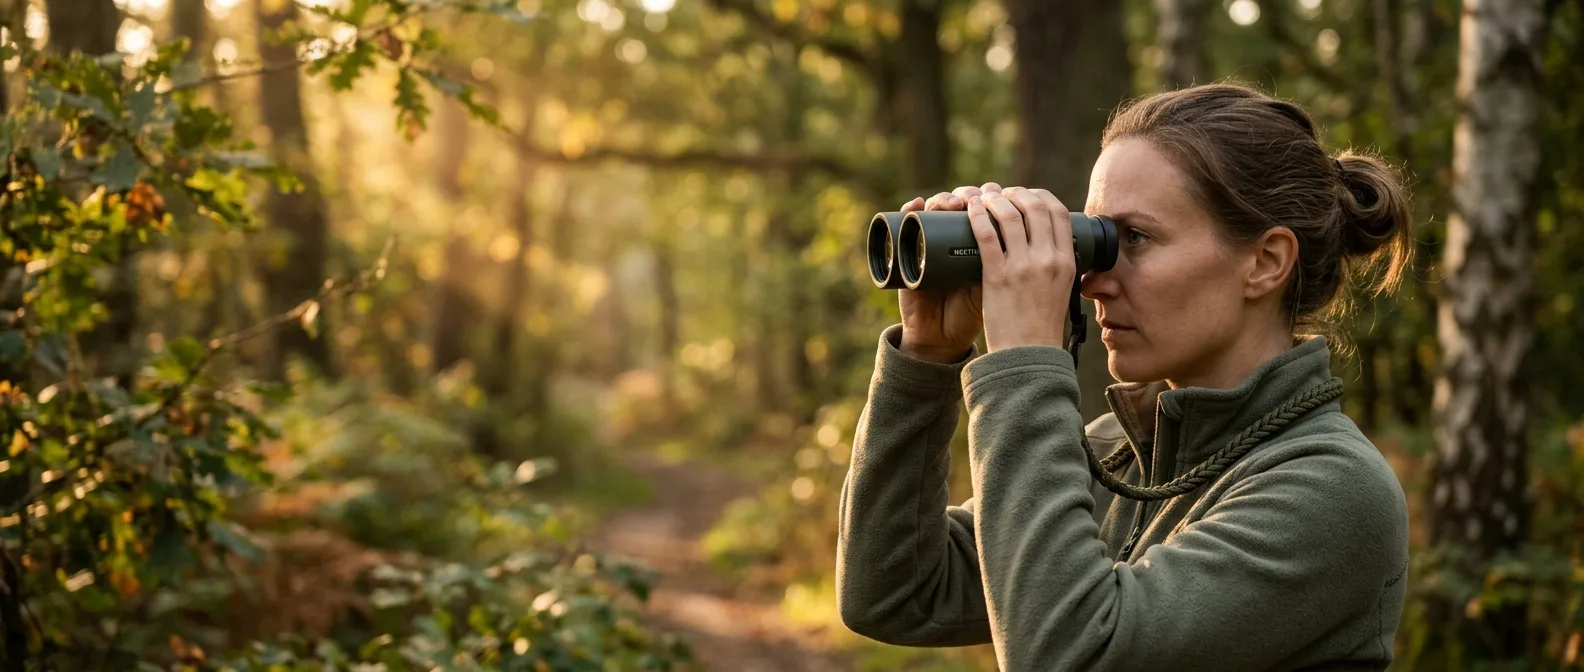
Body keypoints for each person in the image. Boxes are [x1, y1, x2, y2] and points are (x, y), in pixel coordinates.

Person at [835, 82, 1414, 671]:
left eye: (1135, 238)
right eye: (1097, 239)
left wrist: (1023, 362)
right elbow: (891, 592)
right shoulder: (1118, 454)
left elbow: (1069, 656)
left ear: (1265, 263)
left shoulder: (1330, 489)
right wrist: (927, 356)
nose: (1089, 280)